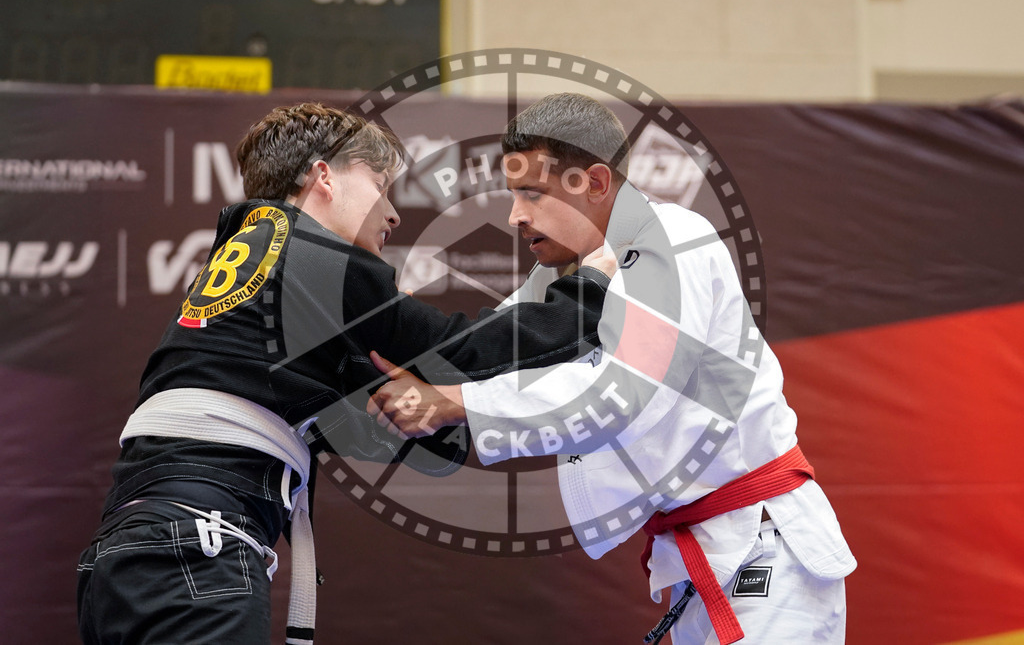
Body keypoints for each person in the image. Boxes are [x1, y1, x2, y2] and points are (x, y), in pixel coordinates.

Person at [76, 102, 615, 645]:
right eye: (380, 185)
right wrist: (590, 293)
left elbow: (423, 441)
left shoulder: (258, 258)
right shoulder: (315, 258)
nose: (392, 212)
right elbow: (457, 347)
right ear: (324, 176)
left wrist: (430, 408)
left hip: (126, 554)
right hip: (196, 543)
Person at [369, 93, 857, 644]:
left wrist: (454, 405)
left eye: (532, 193)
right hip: (708, 553)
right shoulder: (570, 278)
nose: (515, 215)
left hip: (761, 545)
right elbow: (490, 351)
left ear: (595, 184)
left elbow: (627, 393)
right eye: (512, 195)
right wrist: (396, 336)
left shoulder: (672, 241)